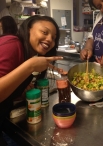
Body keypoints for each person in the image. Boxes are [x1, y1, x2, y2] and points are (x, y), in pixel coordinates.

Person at [0, 15, 63, 145]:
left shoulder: (27, 53)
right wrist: (31, 65)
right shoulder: (13, 44)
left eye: (54, 37)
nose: (50, 39)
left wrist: (20, 91)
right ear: (29, 29)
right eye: (44, 32)